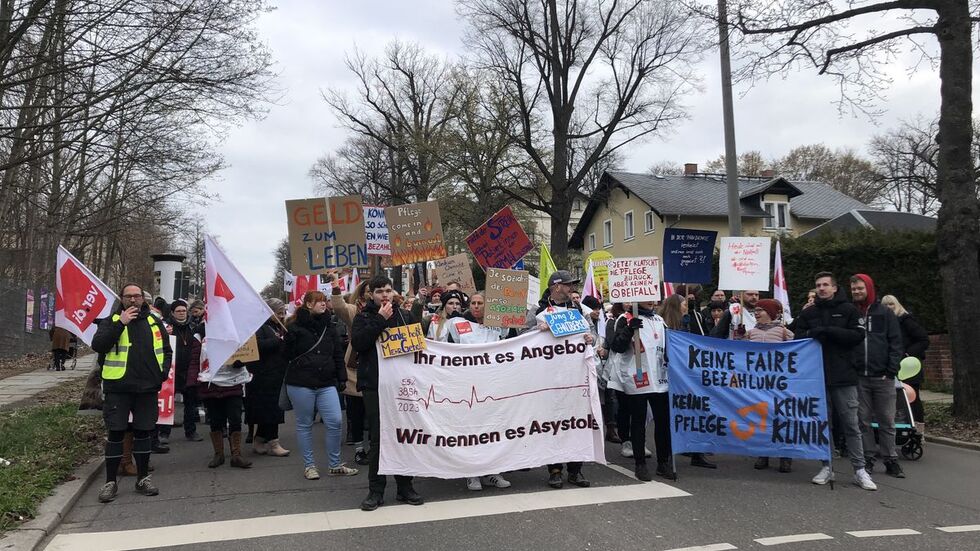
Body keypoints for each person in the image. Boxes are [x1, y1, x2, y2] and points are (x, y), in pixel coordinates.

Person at [793, 272, 876, 490]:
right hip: (817, 377)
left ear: (834, 288)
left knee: (851, 423)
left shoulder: (849, 310)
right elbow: (798, 336)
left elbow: (857, 336)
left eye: (825, 285)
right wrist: (813, 332)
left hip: (844, 375)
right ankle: (827, 465)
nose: (821, 288)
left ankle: (860, 469)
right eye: (818, 285)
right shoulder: (809, 313)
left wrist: (830, 332)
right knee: (823, 424)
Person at [91, 283, 173, 502]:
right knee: (116, 433)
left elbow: (166, 350)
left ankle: (143, 478)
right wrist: (121, 323)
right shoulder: (112, 321)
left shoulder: (154, 322)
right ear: (122, 299)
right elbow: (98, 345)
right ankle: (110, 482)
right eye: (129, 296)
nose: (134, 300)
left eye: (137, 296)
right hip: (118, 387)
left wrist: (162, 374)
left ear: (143, 299)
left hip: (147, 387)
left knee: (144, 432)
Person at [352, 276, 424, 511]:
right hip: (375, 385)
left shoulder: (403, 315)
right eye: (380, 291)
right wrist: (380, 320)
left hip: (401, 385)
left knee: (404, 435)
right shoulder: (363, 317)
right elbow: (360, 343)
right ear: (370, 294)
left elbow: (418, 340)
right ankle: (376, 490)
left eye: (388, 290)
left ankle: (405, 487)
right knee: (379, 438)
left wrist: (419, 306)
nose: (385, 295)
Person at [438, 291, 513, 491]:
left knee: (493, 429)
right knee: (471, 430)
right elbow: (443, 350)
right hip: (466, 387)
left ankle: (493, 472)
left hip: (492, 386)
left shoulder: (498, 326)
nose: (477, 306)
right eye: (473, 303)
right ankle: (472, 474)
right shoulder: (456, 324)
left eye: (481, 303)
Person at [527, 270, 593, 489]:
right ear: (556, 287)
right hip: (549, 379)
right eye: (567, 285)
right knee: (554, 424)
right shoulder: (538, 310)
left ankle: (576, 470)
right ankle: (554, 470)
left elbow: (592, 334)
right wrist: (537, 330)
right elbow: (520, 339)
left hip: (576, 377)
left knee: (578, 423)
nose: (571, 288)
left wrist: (591, 338)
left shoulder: (579, 309)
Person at [284, 290, 358, 480]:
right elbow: (286, 356)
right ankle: (309, 466)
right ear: (308, 304)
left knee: (335, 421)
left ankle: (334, 464)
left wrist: (342, 378)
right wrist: (288, 341)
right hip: (301, 383)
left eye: (325, 301)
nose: (324, 304)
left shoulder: (330, 326)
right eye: (319, 301)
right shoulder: (294, 328)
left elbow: (337, 355)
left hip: (326, 382)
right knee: (304, 424)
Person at [607, 298, 674, 481]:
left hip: (660, 378)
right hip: (638, 377)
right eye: (648, 297)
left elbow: (669, 346)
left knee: (663, 422)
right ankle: (640, 464)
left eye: (654, 297)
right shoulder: (625, 318)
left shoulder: (659, 320)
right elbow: (616, 346)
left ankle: (663, 462)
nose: (652, 301)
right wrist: (629, 329)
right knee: (638, 421)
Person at [850, 274, 905, 479]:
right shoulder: (850, 313)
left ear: (869, 288)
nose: (856, 292)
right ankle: (868, 459)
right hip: (859, 377)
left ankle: (891, 459)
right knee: (862, 420)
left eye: (860, 288)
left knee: (887, 421)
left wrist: (890, 370)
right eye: (853, 289)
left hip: (883, 376)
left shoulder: (885, 313)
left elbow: (895, 342)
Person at [659, 294, 717, 470]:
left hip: (690, 375)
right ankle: (668, 455)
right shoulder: (663, 326)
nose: (687, 306)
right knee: (671, 417)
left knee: (696, 413)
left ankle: (697, 452)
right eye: (684, 303)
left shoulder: (691, 320)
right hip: (674, 376)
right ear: (677, 306)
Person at [747, 299, 795, 473]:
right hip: (758, 384)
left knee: (782, 419)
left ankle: (785, 455)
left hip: (779, 384)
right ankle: (764, 453)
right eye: (756, 310)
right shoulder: (750, 333)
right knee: (762, 418)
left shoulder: (784, 333)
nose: (757, 313)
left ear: (772, 313)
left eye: (761, 310)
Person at [332, 278, 371, 465]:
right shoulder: (354, 311)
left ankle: (376, 447)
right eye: (371, 290)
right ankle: (359, 448)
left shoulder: (389, 310)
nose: (375, 293)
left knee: (375, 413)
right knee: (355, 412)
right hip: (355, 368)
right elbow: (339, 307)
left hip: (379, 367)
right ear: (362, 294)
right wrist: (335, 287)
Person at [245, 298, 290, 457]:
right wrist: (277, 340)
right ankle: (273, 442)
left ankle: (259, 439)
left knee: (273, 409)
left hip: (278, 373)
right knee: (270, 410)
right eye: (278, 311)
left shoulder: (281, 326)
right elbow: (256, 346)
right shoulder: (259, 327)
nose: (282, 314)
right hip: (264, 375)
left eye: (283, 311)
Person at [881, 294, 929, 424]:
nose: (889, 307)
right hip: (894, 367)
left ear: (897, 305)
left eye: (891, 304)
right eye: (885, 305)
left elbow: (923, 339)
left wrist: (907, 354)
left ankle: (918, 428)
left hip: (909, 368)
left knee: (913, 399)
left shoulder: (906, 320)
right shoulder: (884, 325)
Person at [166, 300, 203, 442]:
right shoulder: (167, 327)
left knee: (190, 403)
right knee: (169, 402)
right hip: (172, 369)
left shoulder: (193, 326)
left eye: (183, 310)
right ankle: (164, 433)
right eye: (178, 311)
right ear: (172, 313)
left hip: (190, 369)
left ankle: (191, 431)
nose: (181, 313)